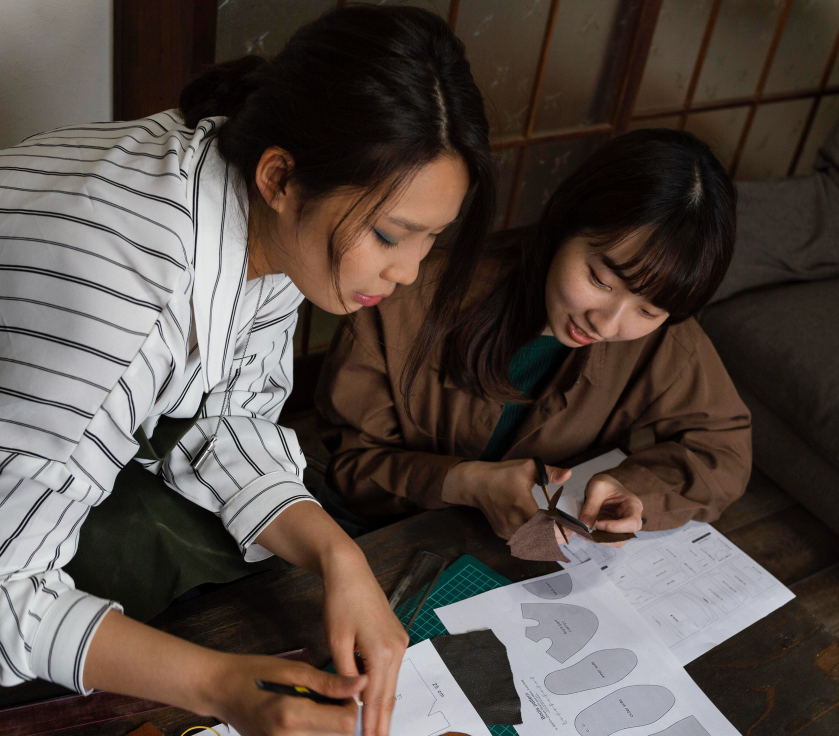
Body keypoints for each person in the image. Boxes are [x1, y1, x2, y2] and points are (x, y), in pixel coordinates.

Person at [0, 5, 494, 736]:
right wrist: (220, 685)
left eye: (430, 239)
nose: (408, 271)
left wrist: (339, 558)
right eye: (388, 235)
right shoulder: (121, 294)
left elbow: (229, 414)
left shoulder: (257, 204)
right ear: (281, 176)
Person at [317, 128, 751, 544]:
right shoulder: (409, 296)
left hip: (539, 553)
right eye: (600, 280)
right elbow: (352, 467)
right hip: (390, 535)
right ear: (564, 223)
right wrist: (464, 482)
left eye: (648, 309)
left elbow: (723, 452)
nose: (607, 323)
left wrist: (633, 489)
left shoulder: (664, 337)